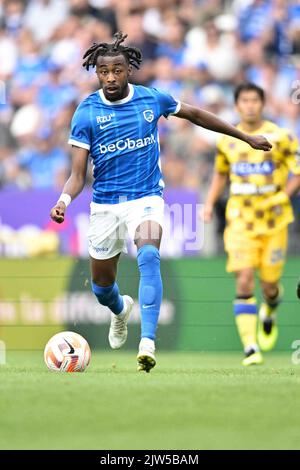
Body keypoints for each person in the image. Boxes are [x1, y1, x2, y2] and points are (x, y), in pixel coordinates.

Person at [50, 33, 271, 373]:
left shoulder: (152, 100)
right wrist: (64, 200)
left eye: (117, 70)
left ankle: (147, 343)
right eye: (103, 71)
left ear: (129, 70)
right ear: (96, 73)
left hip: (146, 197)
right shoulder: (86, 113)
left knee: (149, 254)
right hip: (105, 205)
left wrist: (245, 136)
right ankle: (121, 311)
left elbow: (196, 114)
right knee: (101, 288)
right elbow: (78, 174)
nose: (111, 77)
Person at [202, 83, 300, 366]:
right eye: (244, 101)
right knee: (244, 278)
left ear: (262, 103)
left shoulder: (281, 137)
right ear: (237, 105)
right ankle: (250, 347)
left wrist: (283, 194)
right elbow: (220, 174)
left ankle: (269, 308)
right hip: (240, 221)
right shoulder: (227, 139)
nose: (249, 106)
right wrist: (209, 203)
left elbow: (297, 172)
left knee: (269, 285)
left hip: (273, 222)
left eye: (254, 100)